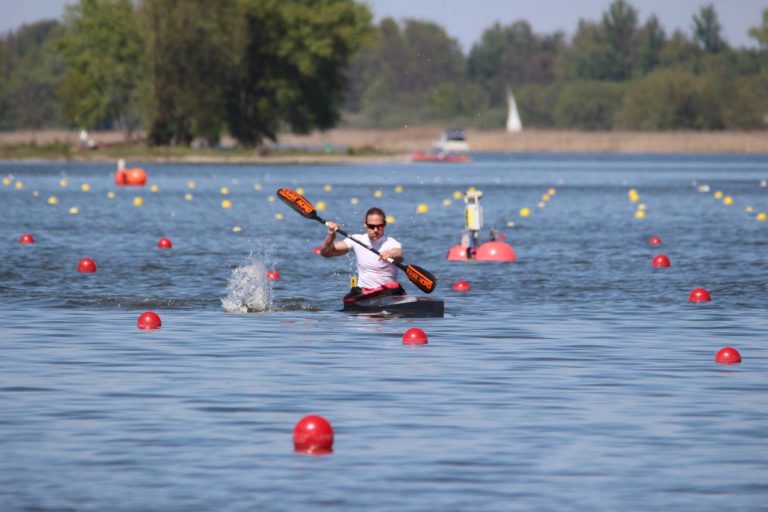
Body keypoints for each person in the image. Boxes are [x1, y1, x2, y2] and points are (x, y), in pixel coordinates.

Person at [320, 207, 405, 295]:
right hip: (364, 293)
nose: (375, 230)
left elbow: (399, 255)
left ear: (385, 224)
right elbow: (326, 253)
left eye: (379, 226)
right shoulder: (356, 240)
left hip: (388, 292)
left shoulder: (391, 242)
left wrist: (390, 254)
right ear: (365, 224)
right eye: (371, 226)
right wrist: (331, 235)